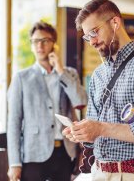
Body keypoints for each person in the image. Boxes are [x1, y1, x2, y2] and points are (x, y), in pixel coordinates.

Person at [63, 0, 134, 181]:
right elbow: (94, 126)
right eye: (87, 36)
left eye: (94, 32)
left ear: (115, 22)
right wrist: (82, 131)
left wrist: (100, 128)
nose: (91, 42)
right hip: (100, 172)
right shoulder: (98, 74)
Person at [7, 21, 88, 181]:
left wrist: (60, 70)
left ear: (54, 44)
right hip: (34, 154)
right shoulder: (21, 78)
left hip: (65, 153)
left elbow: (81, 101)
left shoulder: (68, 73)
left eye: (45, 40)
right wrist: (14, 163)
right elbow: (14, 123)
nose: (40, 45)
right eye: (35, 41)